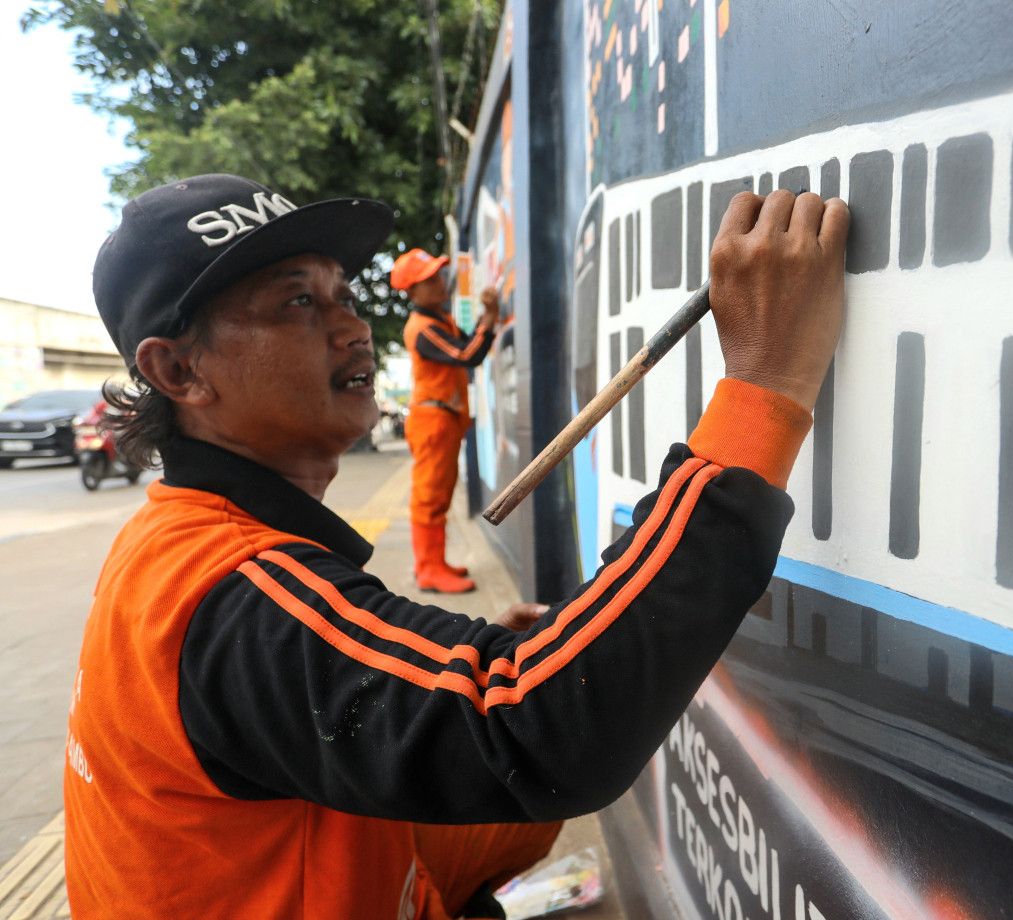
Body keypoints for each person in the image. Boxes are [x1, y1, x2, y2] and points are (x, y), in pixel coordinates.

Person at [67, 172, 848, 920]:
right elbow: (536, 731)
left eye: (341, 295)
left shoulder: (183, 542)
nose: (350, 328)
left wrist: (468, 693)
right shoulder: (232, 590)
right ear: (177, 370)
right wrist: (765, 386)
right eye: (297, 302)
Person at [389, 249, 498, 593]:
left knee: (440, 494)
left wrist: (485, 320)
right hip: (433, 419)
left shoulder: (437, 321)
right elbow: (468, 355)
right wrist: (490, 317)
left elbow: (465, 346)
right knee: (429, 496)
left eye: (437, 275)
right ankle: (428, 569)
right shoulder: (424, 328)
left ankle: (434, 563)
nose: (439, 283)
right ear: (411, 292)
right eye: (428, 280)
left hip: (442, 417)